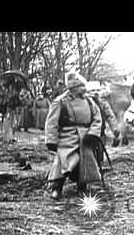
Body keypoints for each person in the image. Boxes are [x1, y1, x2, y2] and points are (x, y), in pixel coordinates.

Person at [45, 71, 104, 200]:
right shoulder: (60, 101)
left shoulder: (89, 101)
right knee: (63, 161)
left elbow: (97, 118)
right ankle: (56, 187)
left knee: (86, 162)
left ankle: (82, 186)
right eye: (79, 88)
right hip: (67, 136)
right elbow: (52, 122)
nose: (82, 90)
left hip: (86, 136)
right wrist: (51, 140)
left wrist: (93, 133)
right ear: (72, 89)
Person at [87, 89, 121, 162]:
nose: (94, 93)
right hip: (87, 133)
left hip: (100, 134)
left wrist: (115, 130)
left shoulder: (102, 103)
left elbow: (110, 116)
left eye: (96, 91)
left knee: (99, 155)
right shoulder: (84, 103)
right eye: (92, 91)